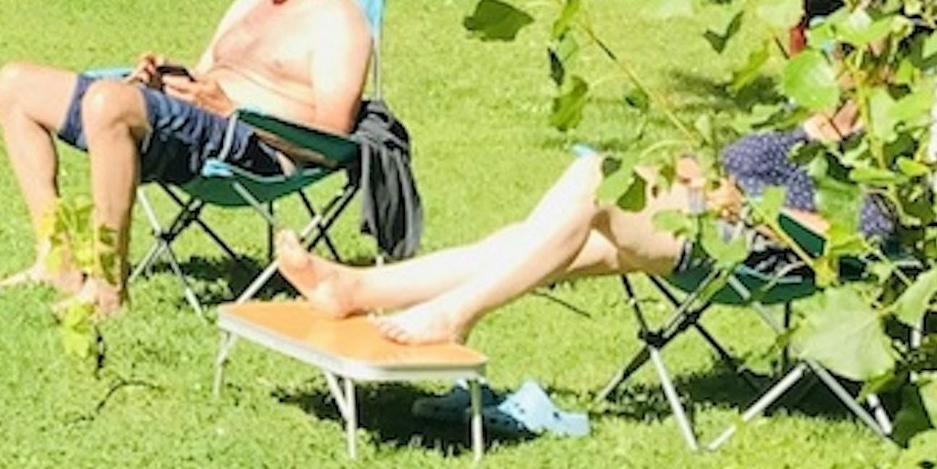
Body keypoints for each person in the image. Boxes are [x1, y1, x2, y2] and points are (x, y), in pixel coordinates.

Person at [0, 0, 376, 316]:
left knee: (108, 103)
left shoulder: (337, 19)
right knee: (14, 84)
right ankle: (55, 259)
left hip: (257, 146)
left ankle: (108, 289)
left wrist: (232, 111)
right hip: (202, 125)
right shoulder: (249, 3)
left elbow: (330, 138)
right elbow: (208, 76)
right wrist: (168, 82)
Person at [264, 111, 883, 349]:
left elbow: (858, 242)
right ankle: (353, 289)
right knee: (529, 242)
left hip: (757, 251)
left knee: (595, 178)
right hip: (709, 215)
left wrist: (750, 206)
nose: (838, 71)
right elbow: (736, 164)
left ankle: (455, 313)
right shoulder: (816, 131)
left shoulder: (885, 165)